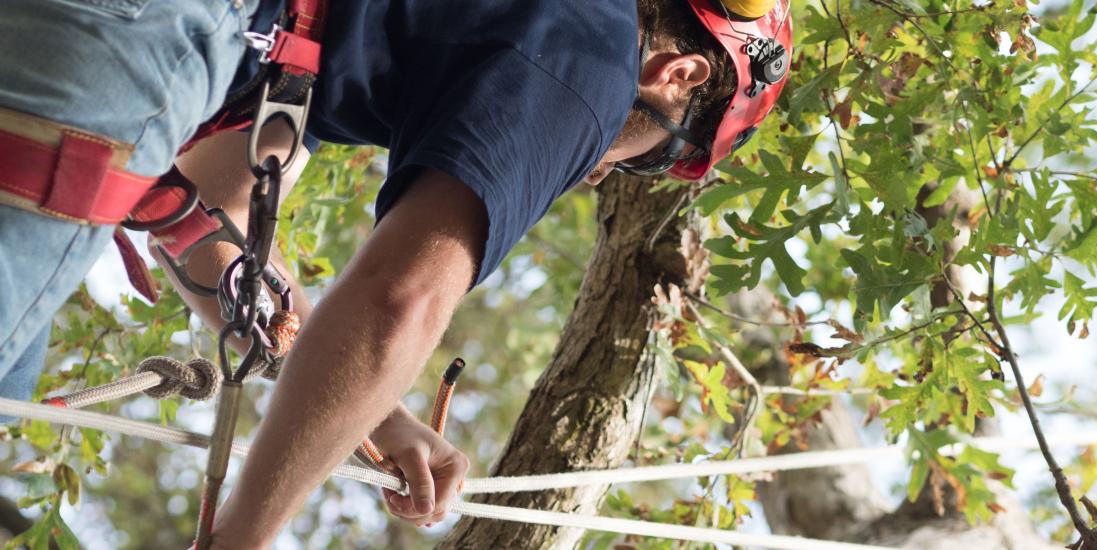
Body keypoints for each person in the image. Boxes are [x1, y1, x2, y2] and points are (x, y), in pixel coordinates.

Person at [0, 0, 792, 546]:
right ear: (678, 74)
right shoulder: (594, 56)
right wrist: (242, 539)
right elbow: (398, 303)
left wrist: (375, 415)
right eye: (650, 159)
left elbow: (215, 203)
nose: (595, 174)